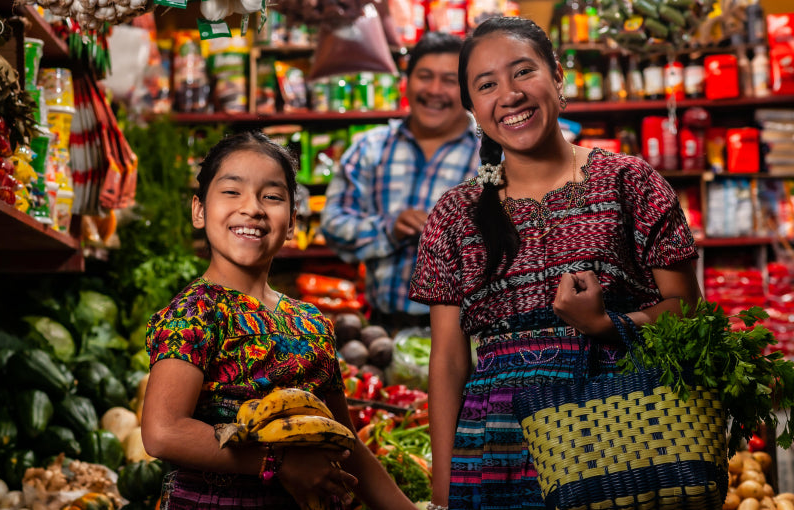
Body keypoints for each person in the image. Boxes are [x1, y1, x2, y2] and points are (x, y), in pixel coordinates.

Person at [408, 17, 703, 510]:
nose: (510, 95)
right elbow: (449, 361)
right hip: (495, 451)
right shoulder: (455, 214)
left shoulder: (629, 182)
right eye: (487, 85)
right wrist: (443, 492)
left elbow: (690, 313)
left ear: (558, 77)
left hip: (618, 439)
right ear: (473, 108)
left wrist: (607, 324)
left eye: (524, 72)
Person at [141, 131, 418, 510]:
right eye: (232, 191)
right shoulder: (194, 312)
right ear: (199, 210)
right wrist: (277, 463)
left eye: (271, 196)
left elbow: (347, 442)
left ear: (291, 223)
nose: (252, 208)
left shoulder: (312, 322)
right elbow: (163, 432)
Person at [320, 31, 480, 332]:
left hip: (468, 334)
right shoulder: (370, 148)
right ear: (406, 82)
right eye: (425, 76)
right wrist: (389, 229)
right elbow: (332, 225)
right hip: (383, 330)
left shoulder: (491, 155)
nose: (434, 90)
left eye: (449, 80)